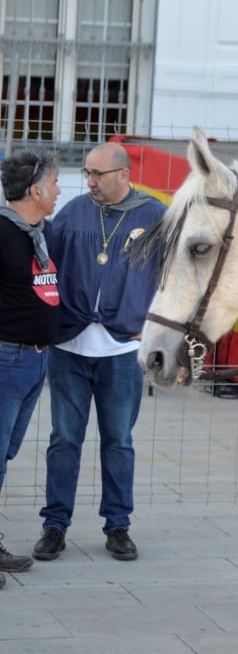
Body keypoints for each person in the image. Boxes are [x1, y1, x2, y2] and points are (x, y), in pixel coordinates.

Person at [33, 143, 166, 563]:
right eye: (86, 173)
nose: (88, 181)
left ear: (123, 175)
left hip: (124, 349)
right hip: (69, 347)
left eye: (97, 174)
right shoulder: (72, 213)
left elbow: (174, 278)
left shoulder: (155, 217)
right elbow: (45, 267)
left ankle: (118, 526)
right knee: (63, 441)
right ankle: (55, 526)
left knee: (119, 442)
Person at [0, 151, 61, 576]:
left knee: (4, 456)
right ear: (35, 189)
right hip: (6, 358)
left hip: (35, 362)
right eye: (55, 183)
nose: (59, 190)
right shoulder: (2, 232)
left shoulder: (42, 232)